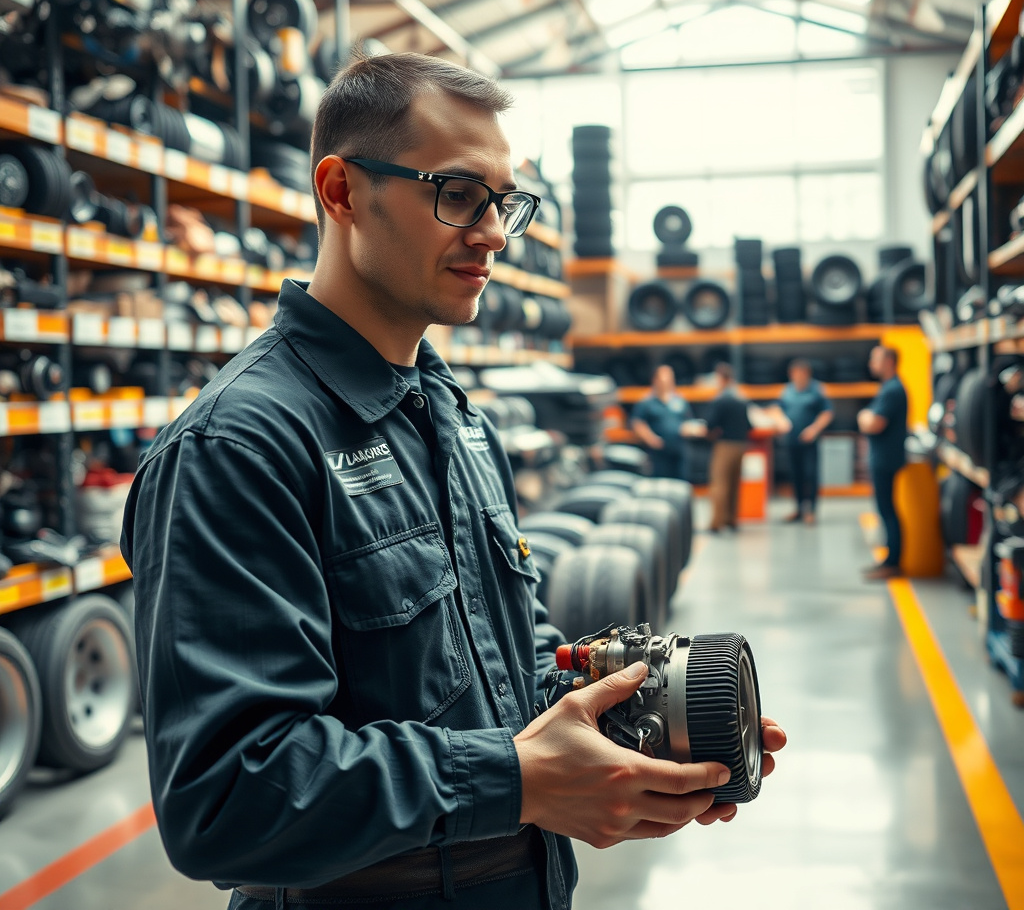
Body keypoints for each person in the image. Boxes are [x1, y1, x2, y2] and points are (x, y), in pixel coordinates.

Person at [121, 53, 786, 910]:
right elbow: (226, 798)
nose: (497, 234)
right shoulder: (240, 447)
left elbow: (511, 667)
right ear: (342, 191)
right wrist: (517, 779)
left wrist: (631, 730)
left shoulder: (455, 419)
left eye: (504, 202)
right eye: (460, 194)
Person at [858, 345, 909, 581]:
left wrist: (863, 417)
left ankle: (892, 563)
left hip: (885, 459)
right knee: (885, 509)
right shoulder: (890, 388)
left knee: (887, 510)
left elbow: (873, 424)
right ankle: (889, 560)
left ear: (889, 361)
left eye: (875, 359)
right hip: (884, 457)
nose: (871, 364)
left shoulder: (892, 390)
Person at [774, 359, 833, 525]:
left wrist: (814, 429)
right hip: (791, 441)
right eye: (794, 373)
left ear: (807, 373)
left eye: (800, 373)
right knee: (796, 475)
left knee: (811, 475)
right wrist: (781, 421)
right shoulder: (787, 390)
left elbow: (827, 413)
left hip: (809, 441)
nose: (797, 376)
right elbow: (778, 408)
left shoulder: (816, 390)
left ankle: (811, 511)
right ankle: (799, 508)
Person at [702, 362, 751, 533]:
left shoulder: (721, 399)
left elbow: (710, 424)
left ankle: (717, 523)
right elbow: (749, 425)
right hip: (741, 445)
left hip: (725, 446)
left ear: (722, 379)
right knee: (734, 484)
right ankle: (732, 520)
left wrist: (709, 433)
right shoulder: (742, 398)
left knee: (720, 484)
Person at [630, 363, 698, 480]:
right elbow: (637, 423)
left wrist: (690, 429)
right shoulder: (646, 402)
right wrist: (651, 439)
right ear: (655, 380)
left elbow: (688, 420)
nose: (667, 382)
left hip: (679, 449)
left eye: (670, 378)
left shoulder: (679, 401)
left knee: (681, 482)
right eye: (664, 379)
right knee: (661, 484)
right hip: (659, 453)